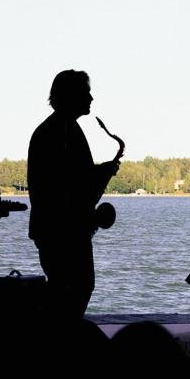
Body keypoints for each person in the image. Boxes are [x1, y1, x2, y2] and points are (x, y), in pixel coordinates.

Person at [28, 70, 120, 317]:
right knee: (73, 289)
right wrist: (100, 174)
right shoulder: (60, 131)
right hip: (64, 230)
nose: (91, 98)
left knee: (71, 289)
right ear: (71, 96)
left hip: (61, 228)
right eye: (85, 93)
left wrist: (100, 172)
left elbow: (73, 177)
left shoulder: (62, 129)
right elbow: (66, 183)